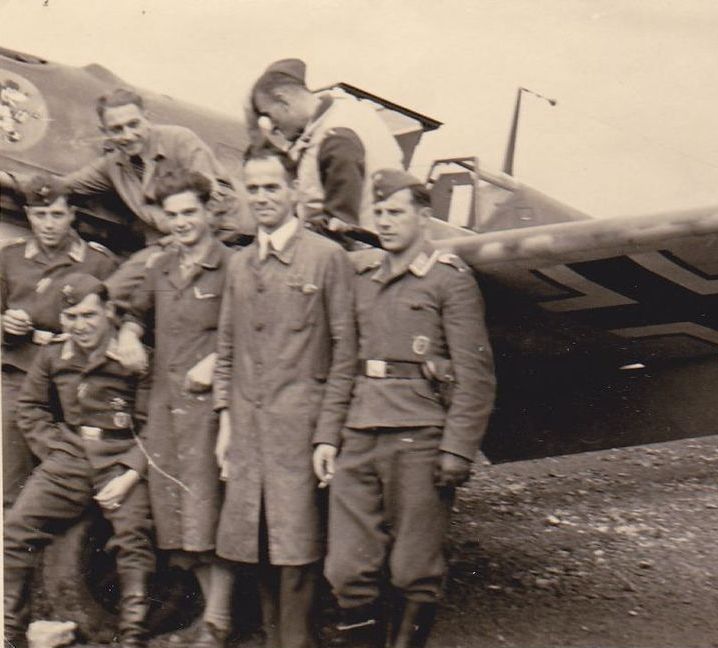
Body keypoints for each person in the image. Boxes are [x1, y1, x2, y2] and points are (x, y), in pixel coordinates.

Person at [322, 169, 496, 648]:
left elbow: (475, 374)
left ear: (423, 217)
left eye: (396, 212)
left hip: (418, 436)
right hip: (359, 432)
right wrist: (327, 435)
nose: (385, 221)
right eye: (379, 212)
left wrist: (457, 449)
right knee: (346, 568)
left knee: (413, 569)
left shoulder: (449, 279)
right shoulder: (362, 278)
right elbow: (344, 365)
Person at [212, 144, 357, 648]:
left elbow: (345, 354)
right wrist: (225, 423)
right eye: (253, 188)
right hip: (247, 432)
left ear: (294, 191)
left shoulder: (327, 258)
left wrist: (327, 436)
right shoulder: (238, 264)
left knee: (297, 549)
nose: (262, 197)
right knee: (254, 545)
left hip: (299, 432)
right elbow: (226, 350)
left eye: (272, 186)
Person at [3, 273, 154, 648]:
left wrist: (132, 469)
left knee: (133, 536)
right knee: (15, 530)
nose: (80, 326)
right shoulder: (54, 354)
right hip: (69, 458)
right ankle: (10, 632)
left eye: (89, 315)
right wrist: (54, 448)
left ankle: (132, 636)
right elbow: (30, 407)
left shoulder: (134, 356)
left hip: (120, 460)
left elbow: (155, 424)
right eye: (71, 317)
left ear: (108, 311)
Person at [119, 163, 235, 647]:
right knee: (180, 520)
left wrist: (214, 361)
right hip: (167, 411)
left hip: (210, 413)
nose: (182, 222)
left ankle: (218, 624)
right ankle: (210, 618)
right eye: (173, 214)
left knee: (211, 517)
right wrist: (129, 334)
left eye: (190, 212)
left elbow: (251, 332)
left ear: (207, 211)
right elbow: (134, 311)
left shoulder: (232, 267)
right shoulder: (162, 266)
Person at [0, 87, 248, 301]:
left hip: (221, 239)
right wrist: (6, 178)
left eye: (133, 124)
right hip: (168, 247)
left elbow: (215, 199)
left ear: (146, 117)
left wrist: (184, 246)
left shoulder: (179, 140)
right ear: (106, 131)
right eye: (117, 129)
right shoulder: (114, 166)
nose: (127, 135)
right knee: (112, 293)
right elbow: (63, 186)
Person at [0, 175, 118, 507]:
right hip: (20, 371)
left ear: (72, 215)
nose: (49, 224)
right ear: (28, 215)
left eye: (56, 214)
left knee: (70, 473)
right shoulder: (9, 258)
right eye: (40, 215)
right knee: (12, 471)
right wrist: (5, 323)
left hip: (74, 377)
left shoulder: (99, 262)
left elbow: (116, 319)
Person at [248, 58, 403, 236]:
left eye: (268, 115)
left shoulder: (335, 138)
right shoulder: (350, 112)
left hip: (357, 247)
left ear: (283, 101)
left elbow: (339, 229)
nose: (272, 127)